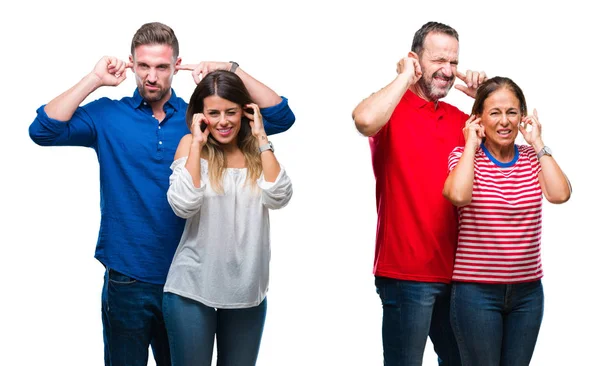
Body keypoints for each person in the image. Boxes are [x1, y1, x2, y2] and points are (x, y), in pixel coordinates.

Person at [28, 22, 295, 366]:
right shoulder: (109, 115)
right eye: (143, 66)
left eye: (161, 67)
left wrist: (230, 69)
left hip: (187, 283)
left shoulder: (200, 120)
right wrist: (94, 79)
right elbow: (43, 130)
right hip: (128, 276)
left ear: (176, 66)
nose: (151, 76)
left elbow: (280, 116)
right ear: (131, 64)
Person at [352, 21, 486, 365]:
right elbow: (364, 120)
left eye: (454, 63)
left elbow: (505, 162)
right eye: (438, 60)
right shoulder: (390, 111)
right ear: (415, 60)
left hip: (460, 275)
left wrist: (482, 101)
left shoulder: (460, 119)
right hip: (406, 273)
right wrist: (403, 78)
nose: (447, 70)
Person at [163, 69, 292, 366]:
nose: (223, 121)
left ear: (244, 111)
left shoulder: (258, 151)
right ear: (200, 115)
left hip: (247, 292)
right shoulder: (190, 146)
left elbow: (280, 196)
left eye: (231, 112)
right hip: (192, 289)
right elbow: (183, 204)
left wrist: (261, 137)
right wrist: (196, 144)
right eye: (214, 113)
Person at [442, 76, 571, 366]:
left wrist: (538, 142)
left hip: (527, 294)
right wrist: (472, 144)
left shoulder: (531, 158)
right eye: (494, 113)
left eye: (511, 112)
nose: (504, 121)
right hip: (475, 293)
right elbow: (459, 196)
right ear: (479, 118)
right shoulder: (463, 156)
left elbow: (560, 194)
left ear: (522, 117)